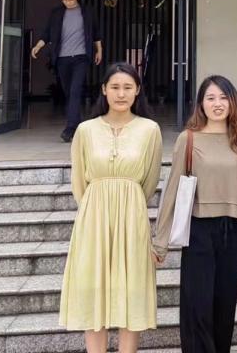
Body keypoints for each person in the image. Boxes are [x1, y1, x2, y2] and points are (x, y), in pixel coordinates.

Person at [58, 62, 163, 353]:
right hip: (93, 217)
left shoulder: (150, 130)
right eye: (115, 87)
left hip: (132, 216)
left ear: (138, 91)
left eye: (128, 87)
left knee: (131, 289)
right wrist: (94, 208)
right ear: (104, 90)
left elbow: (150, 179)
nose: (121, 93)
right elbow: (79, 180)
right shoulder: (85, 130)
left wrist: (130, 202)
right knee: (94, 287)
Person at [152, 75, 237, 353]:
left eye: (223, 97)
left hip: (233, 233)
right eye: (210, 98)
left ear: (233, 102)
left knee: (224, 306)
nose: (217, 103)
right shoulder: (188, 139)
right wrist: (160, 242)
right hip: (198, 231)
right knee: (196, 306)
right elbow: (172, 190)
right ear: (201, 104)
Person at [31, 0, 103, 142]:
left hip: (81, 58)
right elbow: (47, 33)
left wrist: (99, 50)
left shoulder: (87, 12)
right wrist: (38, 46)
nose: (67, 2)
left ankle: (70, 129)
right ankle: (77, 125)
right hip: (62, 59)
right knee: (69, 93)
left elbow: (96, 33)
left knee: (75, 90)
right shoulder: (56, 13)